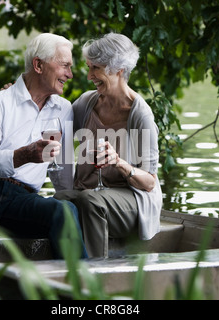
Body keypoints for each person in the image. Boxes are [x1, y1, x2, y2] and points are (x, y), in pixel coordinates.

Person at [0, 33, 88, 259]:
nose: (70, 74)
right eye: (64, 66)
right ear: (38, 65)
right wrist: (22, 156)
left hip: (20, 202)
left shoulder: (64, 109)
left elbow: (64, 172)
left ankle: (82, 288)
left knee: (65, 211)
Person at [54, 33, 163, 258]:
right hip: (92, 196)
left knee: (90, 200)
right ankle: (63, 270)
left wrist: (120, 163)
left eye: (96, 68)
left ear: (119, 69)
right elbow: (53, 127)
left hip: (132, 203)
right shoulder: (86, 104)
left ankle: (95, 274)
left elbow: (149, 183)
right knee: (58, 201)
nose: (89, 75)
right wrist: (21, 97)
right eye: (89, 67)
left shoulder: (140, 115)